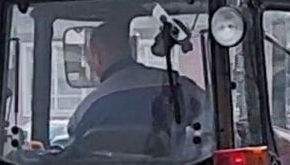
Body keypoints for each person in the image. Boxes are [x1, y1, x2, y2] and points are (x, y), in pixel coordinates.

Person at [65, 17, 206, 149]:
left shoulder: (89, 108)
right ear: (132, 48)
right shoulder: (180, 87)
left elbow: (74, 155)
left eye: (88, 59)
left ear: (97, 56)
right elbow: (212, 123)